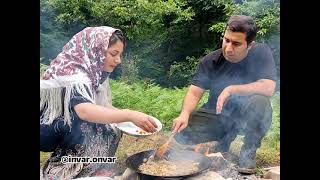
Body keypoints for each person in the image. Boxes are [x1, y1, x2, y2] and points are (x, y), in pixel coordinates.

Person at [40, 26, 158, 180]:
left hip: (69, 124)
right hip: (50, 128)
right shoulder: (73, 72)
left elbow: (102, 106)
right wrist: (128, 114)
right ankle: (60, 173)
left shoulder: (96, 72)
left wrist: (131, 120)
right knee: (91, 127)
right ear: (96, 50)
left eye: (120, 55)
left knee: (113, 126)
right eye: (113, 54)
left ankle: (94, 168)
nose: (118, 60)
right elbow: (85, 111)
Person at [172, 15, 277, 174]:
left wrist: (231, 89)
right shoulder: (211, 60)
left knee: (260, 101)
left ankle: (249, 150)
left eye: (236, 44)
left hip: (248, 113)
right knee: (182, 133)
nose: (228, 48)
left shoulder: (261, 53)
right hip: (218, 112)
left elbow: (268, 87)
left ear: (250, 45)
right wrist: (184, 114)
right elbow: (194, 92)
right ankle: (222, 143)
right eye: (226, 40)